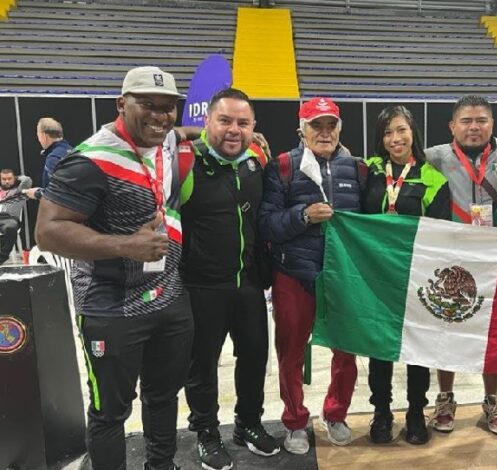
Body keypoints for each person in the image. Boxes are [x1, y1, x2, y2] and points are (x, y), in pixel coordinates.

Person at [35, 66, 194, 470]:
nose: (160, 115)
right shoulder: (89, 160)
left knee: (163, 396)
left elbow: (184, 135)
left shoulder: (166, 142)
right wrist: (127, 245)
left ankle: (162, 465)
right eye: (148, 105)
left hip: (169, 298)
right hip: (111, 308)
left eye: (168, 107)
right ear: (121, 104)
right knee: (110, 412)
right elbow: (48, 232)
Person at [257, 97, 364, 454]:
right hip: (294, 274)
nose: (324, 132)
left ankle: (336, 414)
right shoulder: (283, 167)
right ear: (301, 130)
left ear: (339, 129)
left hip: (342, 277)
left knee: (346, 352)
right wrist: (303, 215)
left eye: (330, 125)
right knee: (290, 353)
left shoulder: (358, 169)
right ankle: (295, 420)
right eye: (316, 125)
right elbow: (266, 224)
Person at [181, 87, 279, 470]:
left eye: (243, 122)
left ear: (254, 126)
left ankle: (248, 424)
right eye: (225, 120)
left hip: (249, 284)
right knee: (202, 365)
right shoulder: (188, 162)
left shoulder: (256, 160)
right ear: (207, 121)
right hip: (201, 285)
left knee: (255, 357)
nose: (234, 129)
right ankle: (206, 432)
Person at [423, 95, 497, 435]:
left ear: (492, 124)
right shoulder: (435, 156)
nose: (474, 127)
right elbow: (385, 161)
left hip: (495, 258)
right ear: (452, 126)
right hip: (451, 259)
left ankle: (492, 399)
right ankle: (445, 397)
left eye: (481, 120)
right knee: (447, 328)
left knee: (492, 330)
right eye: (466, 121)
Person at [363, 106, 450, 445]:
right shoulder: (368, 170)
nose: (394, 139)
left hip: (416, 276)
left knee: (418, 349)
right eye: (387, 133)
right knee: (379, 348)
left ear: (413, 132)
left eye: (400, 130)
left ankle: (416, 412)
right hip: (374, 275)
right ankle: (381, 412)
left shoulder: (432, 179)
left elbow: (440, 233)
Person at [23, 117, 73, 201]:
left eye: (38, 135)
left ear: (44, 136)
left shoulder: (53, 158)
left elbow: (59, 194)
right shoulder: (74, 151)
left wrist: (37, 193)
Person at [0, 169, 32, 265]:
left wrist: (16, 177)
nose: (6, 181)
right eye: (3, 179)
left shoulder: (19, 191)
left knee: (11, 227)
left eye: (9, 179)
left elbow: (27, 180)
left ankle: (2, 257)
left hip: (9, 218)